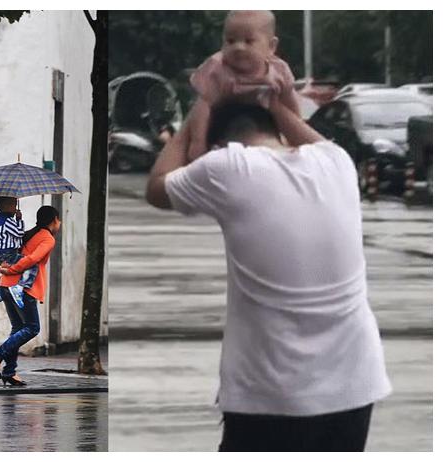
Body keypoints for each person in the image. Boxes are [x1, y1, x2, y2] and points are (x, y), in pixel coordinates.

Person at [146, 98, 392, 451]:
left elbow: (157, 187)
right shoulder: (337, 161)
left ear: (220, 143)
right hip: (354, 384)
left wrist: (195, 115)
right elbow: (308, 139)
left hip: (270, 394)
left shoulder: (227, 166)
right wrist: (277, 100)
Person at [187, 10, 300, 162]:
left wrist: (296, 135)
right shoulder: (218, 68)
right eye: (230, 41)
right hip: (223, 131)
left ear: (271, 46)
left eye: (249, 41)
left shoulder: (278, 71)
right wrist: (198, 142)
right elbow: (202, 105)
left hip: (265, 134)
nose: (238, 47)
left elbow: (290, 104)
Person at [0, 205, 61, 386]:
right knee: (32, 328)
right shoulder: (47, 238)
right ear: (54, 220)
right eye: (58, 220)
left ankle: (9, 372)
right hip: (22, 289)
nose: (60, 223)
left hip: (6, 285)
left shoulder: (27, 233)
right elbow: (32, 259)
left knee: (18, 328)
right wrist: (13, 269)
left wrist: (6, 270)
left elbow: (9, 253)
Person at [0, 196, 37, 309]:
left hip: (0, 255)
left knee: (13, 270)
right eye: (14, 205)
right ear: (7, 207)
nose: (15, 209)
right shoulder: (8, 221)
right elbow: (19, 233)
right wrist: (19, 219)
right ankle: (19, 287)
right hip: (8, 254)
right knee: (31, 264)